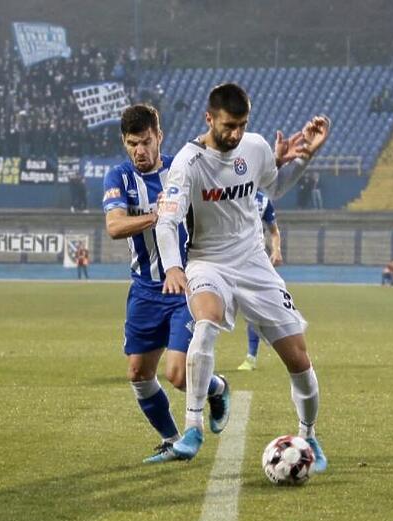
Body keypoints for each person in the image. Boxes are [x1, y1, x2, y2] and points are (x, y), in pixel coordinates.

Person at [155, 83, 330, 471]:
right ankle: (193, 428)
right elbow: (166, 221)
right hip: (207, 262)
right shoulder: (187, 162)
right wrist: (172, 266)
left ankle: (310, 436)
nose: (235, 134)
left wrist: (305, 159)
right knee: (205, 323)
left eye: (242, 125)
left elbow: (276, 187)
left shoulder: (255, 147)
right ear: (209, 119)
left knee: (298, 357)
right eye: (229, 125)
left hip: (253, 262)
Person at [103, 104, 230, 464]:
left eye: (145, 142)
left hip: (185, 285)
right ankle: (172, 439)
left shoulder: (182, 169)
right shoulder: (120, 177)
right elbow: (114, 226)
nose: (139, 151)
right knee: (139, 374)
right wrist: (156, 216)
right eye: (132, 144)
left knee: (176, 374)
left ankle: (217, 387)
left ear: (159, 136)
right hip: (144, 290)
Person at [238, 190, 283, 371]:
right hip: (223, 260)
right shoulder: (228, 191)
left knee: (253, 310)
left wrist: (276, 250)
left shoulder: (262, 200)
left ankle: (251, 356)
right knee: (212, 310)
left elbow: (274, 231)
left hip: (252, 263)